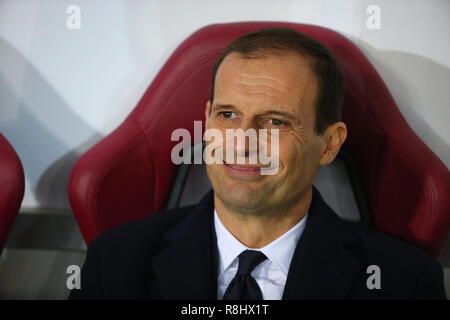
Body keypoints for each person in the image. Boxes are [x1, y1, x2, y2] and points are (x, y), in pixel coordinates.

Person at [69, 27, 446, 300]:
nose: (242, 142)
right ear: (207, 119)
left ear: (329, 144)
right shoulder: (114, 262)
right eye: (228, 115)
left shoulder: (404, 283)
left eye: (275, 121)